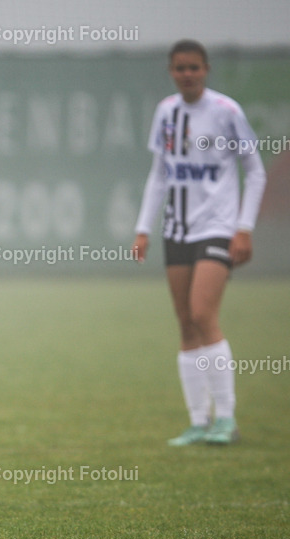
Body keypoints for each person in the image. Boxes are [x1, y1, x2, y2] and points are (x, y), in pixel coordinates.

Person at [133, 40, 266, 446]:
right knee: (185, 323)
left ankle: (226, 419)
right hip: (177, 228)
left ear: (206, 69)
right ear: (171, 71)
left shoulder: (226, 112)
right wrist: (144, 228)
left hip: (217, 227)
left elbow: (255, 171)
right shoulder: (166, 112)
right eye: (179, 68)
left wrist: (243, 228)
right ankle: (197, 420)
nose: (187, 74)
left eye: (194, 67)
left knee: (202, 312)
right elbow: (160, 174)